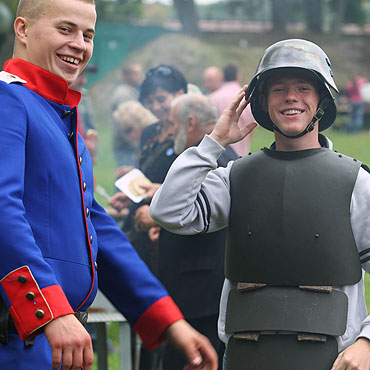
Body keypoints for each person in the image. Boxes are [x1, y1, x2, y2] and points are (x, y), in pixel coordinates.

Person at [0, 1, 218, 369]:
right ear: (22, 29)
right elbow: (2, 210)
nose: (80, 45)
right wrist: (50, 311)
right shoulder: (8, 98)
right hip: (18, 342)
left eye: (88, 35)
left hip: (60, 341)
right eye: (65, 29)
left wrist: (166, 317)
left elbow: (95, 227)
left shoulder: (58, 114)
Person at [151, 39, 370, 370]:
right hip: (245, 358)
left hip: (335, 361)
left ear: (321, 101)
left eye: (303, 88)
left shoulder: (356, 181)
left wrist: (367, 343)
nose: (291, 97)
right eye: (278, 89)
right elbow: (168, 212)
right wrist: (214, 143)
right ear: (263, 102)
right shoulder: (234, 177)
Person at [157, 94, 237, 370]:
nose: (168, 131)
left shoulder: (218, 158)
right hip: (194, 290)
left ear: (189, 122)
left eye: (170, 124)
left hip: (200, 295)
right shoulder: (208, 156)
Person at [210, 63, 255, 156]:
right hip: (241, 155)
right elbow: (252, 126)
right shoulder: (247, 98)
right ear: (238, 76)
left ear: (222, 77)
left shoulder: (213, 98)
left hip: (219, 154)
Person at [111, 62, 145, 167]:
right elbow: (126, 123)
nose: (139, 76)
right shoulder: (123, 94)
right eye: (135, 73)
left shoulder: (134, 90)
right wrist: (137, 144)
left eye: (140, 73)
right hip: (126, 145)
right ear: (125, 76)